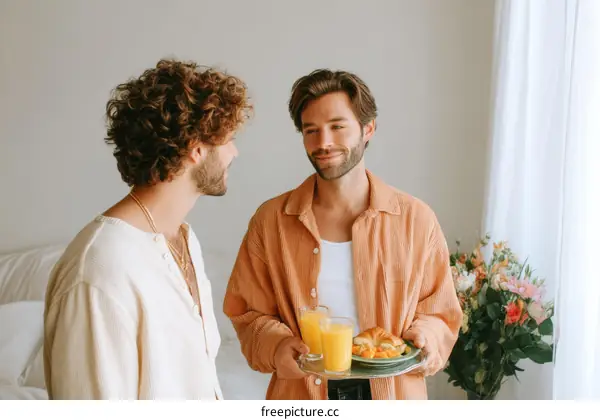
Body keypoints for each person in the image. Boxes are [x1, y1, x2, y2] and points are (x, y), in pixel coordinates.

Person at [223, 69, 462, 400]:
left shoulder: (416, 220)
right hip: (302, 396)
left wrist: (425, 337)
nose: (323, 143)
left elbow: (440, 312)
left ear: (368, 129)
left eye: (337, 127)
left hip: (392, 395)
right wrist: (277, 346)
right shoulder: (270, 221)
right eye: (311, 130)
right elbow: (248, 314)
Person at [43, 59, 252, 399]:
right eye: (227, 140)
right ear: (195, 149)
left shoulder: (184, 239)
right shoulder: (99, 269)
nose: (234, 152)